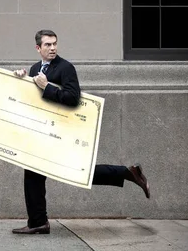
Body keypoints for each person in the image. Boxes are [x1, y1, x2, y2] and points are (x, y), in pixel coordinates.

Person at [11, 29, 150, 235]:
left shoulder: (65, 68)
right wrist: (21, 78)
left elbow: (73, 98)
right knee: (36, 173)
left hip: (61, 132)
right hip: (43, 133)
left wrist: (46, 86)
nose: (52, 48)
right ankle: (38, 222)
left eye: (54, 44)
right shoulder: (34, 68)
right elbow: (32, 97)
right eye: (47, 45)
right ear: (38, 48)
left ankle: (128, 173)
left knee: (76, 171)